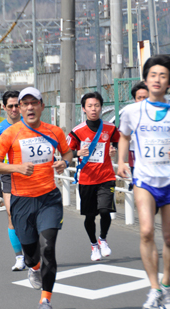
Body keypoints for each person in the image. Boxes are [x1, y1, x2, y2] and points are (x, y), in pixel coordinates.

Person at [117, 55, 170, 309]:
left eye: (163, 76)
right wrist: (121, 161)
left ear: (169, 83)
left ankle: (166, 285)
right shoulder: (132, 111)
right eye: (153, 75)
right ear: (146, 79)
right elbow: (124, 136)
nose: (157, 79)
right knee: (145, 232)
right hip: (145, 179)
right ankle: (153, 288)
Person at [0, 87, 73, 309]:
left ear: (41, 106)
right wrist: (15, 167)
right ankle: (33, 268)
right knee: (31, 254)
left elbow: (68, 154)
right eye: (24, 104)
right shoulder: (10, 133)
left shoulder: (55, 131)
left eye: (33, 103)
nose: (28, 107)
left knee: (48, 248)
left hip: (48, 198)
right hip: (21, 200)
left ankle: (45, 301)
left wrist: (64, 164)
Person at [67, 92, 120, 261]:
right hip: (86, 178)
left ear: (101, 107)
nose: (93, 109)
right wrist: (77, 153)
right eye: (89, 106)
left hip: (106, 176)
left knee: (105, 211)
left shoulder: (110, 128)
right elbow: (66, 152)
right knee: (90, 216)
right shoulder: (77, 131)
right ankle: (93, 245)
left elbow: (118, 141)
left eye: (96, 105)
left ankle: (103, 239)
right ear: (83, 109)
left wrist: (114, 149)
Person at [0, 90, 26, 271]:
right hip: (8, 174)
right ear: (4, 108)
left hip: (29, 173)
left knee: (32, 215)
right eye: (11, 106)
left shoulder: (30, 124)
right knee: (12, 215)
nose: (15, 109)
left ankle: (33, 249)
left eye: (18, 105)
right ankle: (19, 257)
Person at [127, 82, 149, 189]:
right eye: (139, 97)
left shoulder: (159, 115)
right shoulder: (129, 115)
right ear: (135, 100)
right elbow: (122, 138)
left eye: (145, 97)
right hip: (135, 158)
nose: (142, 100)